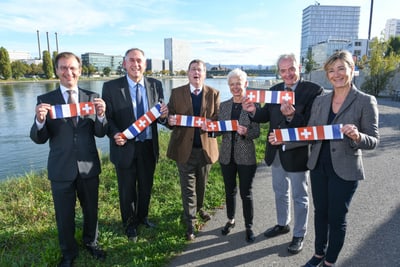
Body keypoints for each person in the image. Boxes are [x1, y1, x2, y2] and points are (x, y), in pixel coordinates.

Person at [298, 50, 379, 267]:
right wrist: (283, 139)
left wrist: (357, 135)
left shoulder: (365, 101)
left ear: (352, 70)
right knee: (320, 213)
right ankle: (318, 254)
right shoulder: (321, 100)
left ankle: (330, 261)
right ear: (327, 75)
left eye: (342, 69)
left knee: (337, 217)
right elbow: (310, 131)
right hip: (318, 165)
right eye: (331, 71)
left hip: (345, 168)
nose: (337, 74)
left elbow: (373, 140)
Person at [30, 52, 107, 267]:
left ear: (80, 71)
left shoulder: (92, 97)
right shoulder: (45, 100)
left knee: (91, 209)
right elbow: (38, 138)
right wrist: (39, 120)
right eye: (63, 68)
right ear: (56, 71)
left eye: (72, 68)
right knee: (64, 215)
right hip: (61, 167)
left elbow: (100, 132)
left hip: (88, 165)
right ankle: (68, 252)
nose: (68, 72)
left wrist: (101, 116)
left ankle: (91, 242)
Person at [242, 53, 323, 254]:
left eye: (291, 69)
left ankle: (299, 234)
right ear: (279, 71)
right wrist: (252, 111)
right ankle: (282, 224)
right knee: (280, 191)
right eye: (283, 70)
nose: (288, 74)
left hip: (297, 153)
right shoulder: (275, 90)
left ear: (300, 67)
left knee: (299, 196)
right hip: (275, 151)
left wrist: (293, 116)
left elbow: (312, 125)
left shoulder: (314, 91)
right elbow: (264, 116)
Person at [102, 48, 168, 242]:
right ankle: (130, 225)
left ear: (145, 64)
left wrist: (164, 116)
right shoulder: (111, 87)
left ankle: (143, 217)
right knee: (127, 189)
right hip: (125, 147)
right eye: (131, 60)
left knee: (146, 186)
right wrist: (115, 134)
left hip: (148, 145)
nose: (135, 64)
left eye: (139, 60)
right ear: (124, 64)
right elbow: (107, 118)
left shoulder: (155, 85)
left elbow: (160, 118)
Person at [167, 59, 220, 241]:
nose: (196, 72)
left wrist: (212, 124)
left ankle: (199, 208)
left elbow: (218, 120)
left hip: (205, 149)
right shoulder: (176, 93)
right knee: (188, 188)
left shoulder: (214, 94)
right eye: (193, 69)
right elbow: (170, 116)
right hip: (184, 149)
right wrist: (170, 120)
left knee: (201, 185)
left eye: (200, 70)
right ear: (188, 73)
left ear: (205, 74)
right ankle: (190, 222)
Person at [217, 68, 260, 243]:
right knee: (229, 191)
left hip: (246, 156)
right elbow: (220, 129)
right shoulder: (224, 106)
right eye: (232, 84)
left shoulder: (253, 106)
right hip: (227, 156)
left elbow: (256, 132)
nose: (235, 87)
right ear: (229, 86)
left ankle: (249, 226)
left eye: (238, 84)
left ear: (246, 84)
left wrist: (245, 132)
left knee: (246, 192)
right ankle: (230, 220)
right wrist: (212, 130)